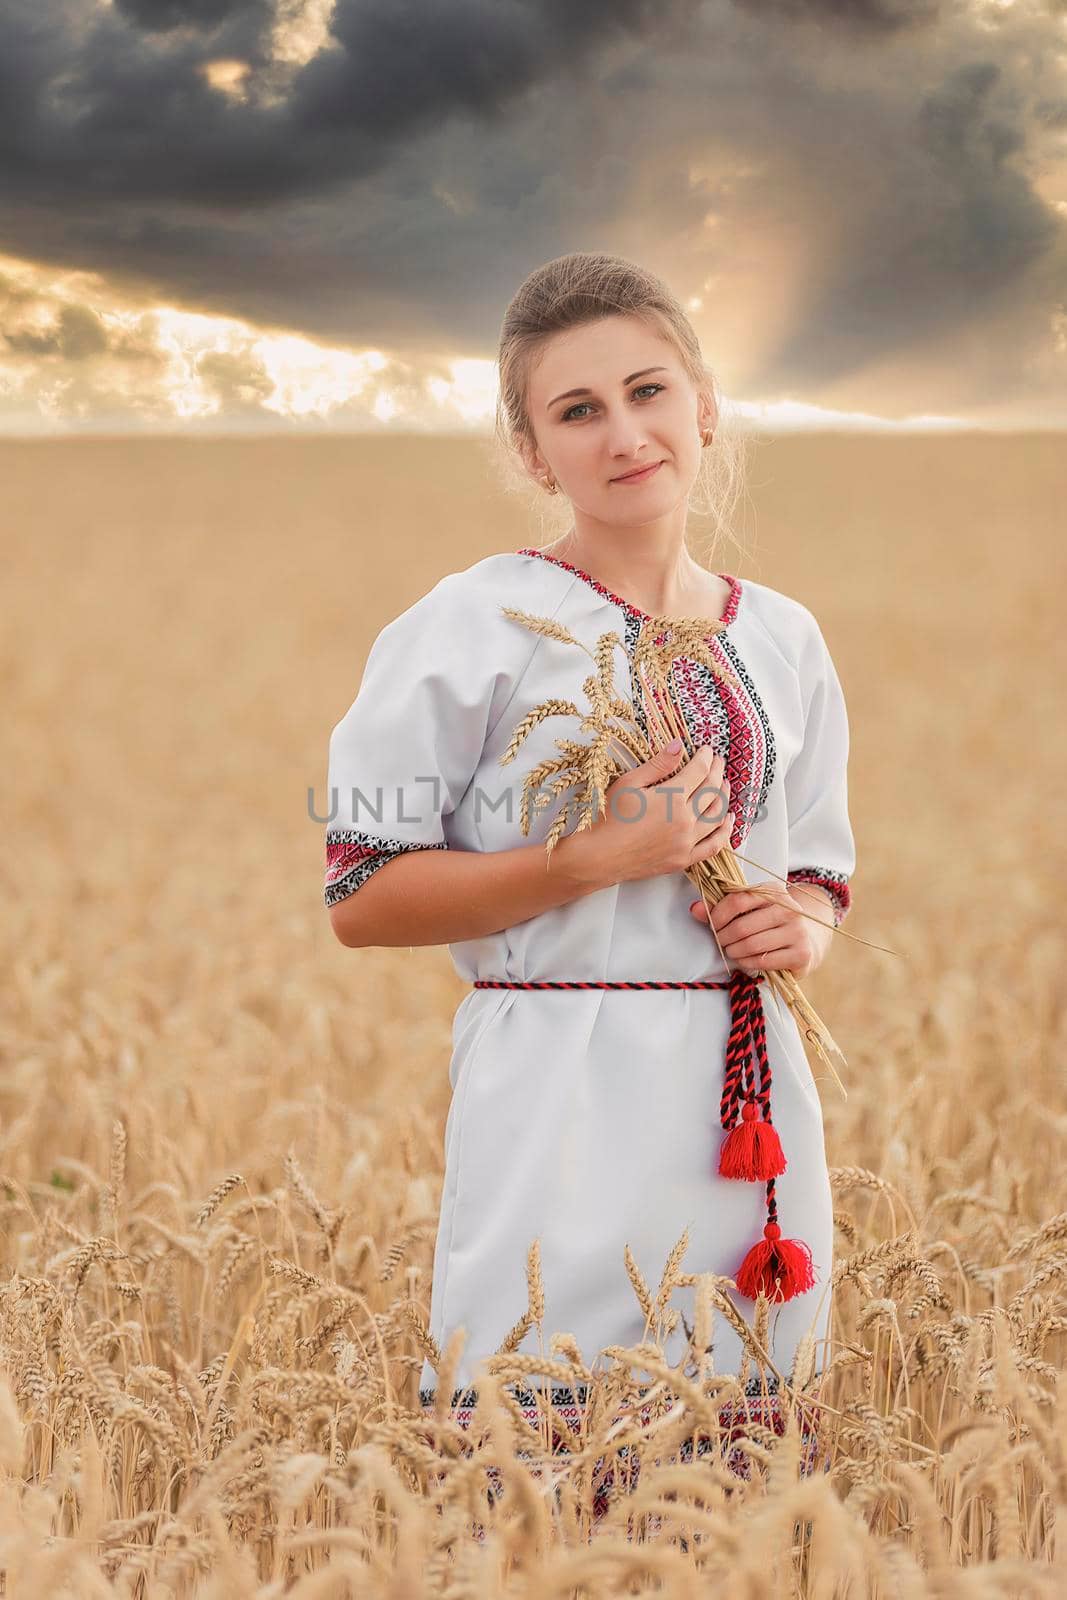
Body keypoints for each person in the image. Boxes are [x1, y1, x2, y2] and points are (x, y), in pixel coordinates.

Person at [322, 252, 855, 1480]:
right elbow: (359, 893)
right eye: (577, 411)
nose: (625, 433)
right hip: (556, 1086)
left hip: (748, 1107)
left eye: (647, 390)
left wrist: (799, 928)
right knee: (540, 1468)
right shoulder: (464, 623)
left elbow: (819, 865)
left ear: (704, 405)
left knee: (741, 1488)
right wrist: (593, 860)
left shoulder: (781, 635)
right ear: (530, 453)